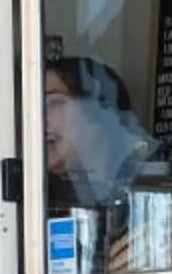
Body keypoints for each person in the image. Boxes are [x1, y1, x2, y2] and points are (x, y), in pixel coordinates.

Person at [40, 54, 150, 212]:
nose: (39, 118)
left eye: (54, 103)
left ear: (99, 113)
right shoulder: (35, 197)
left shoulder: (151, 187)